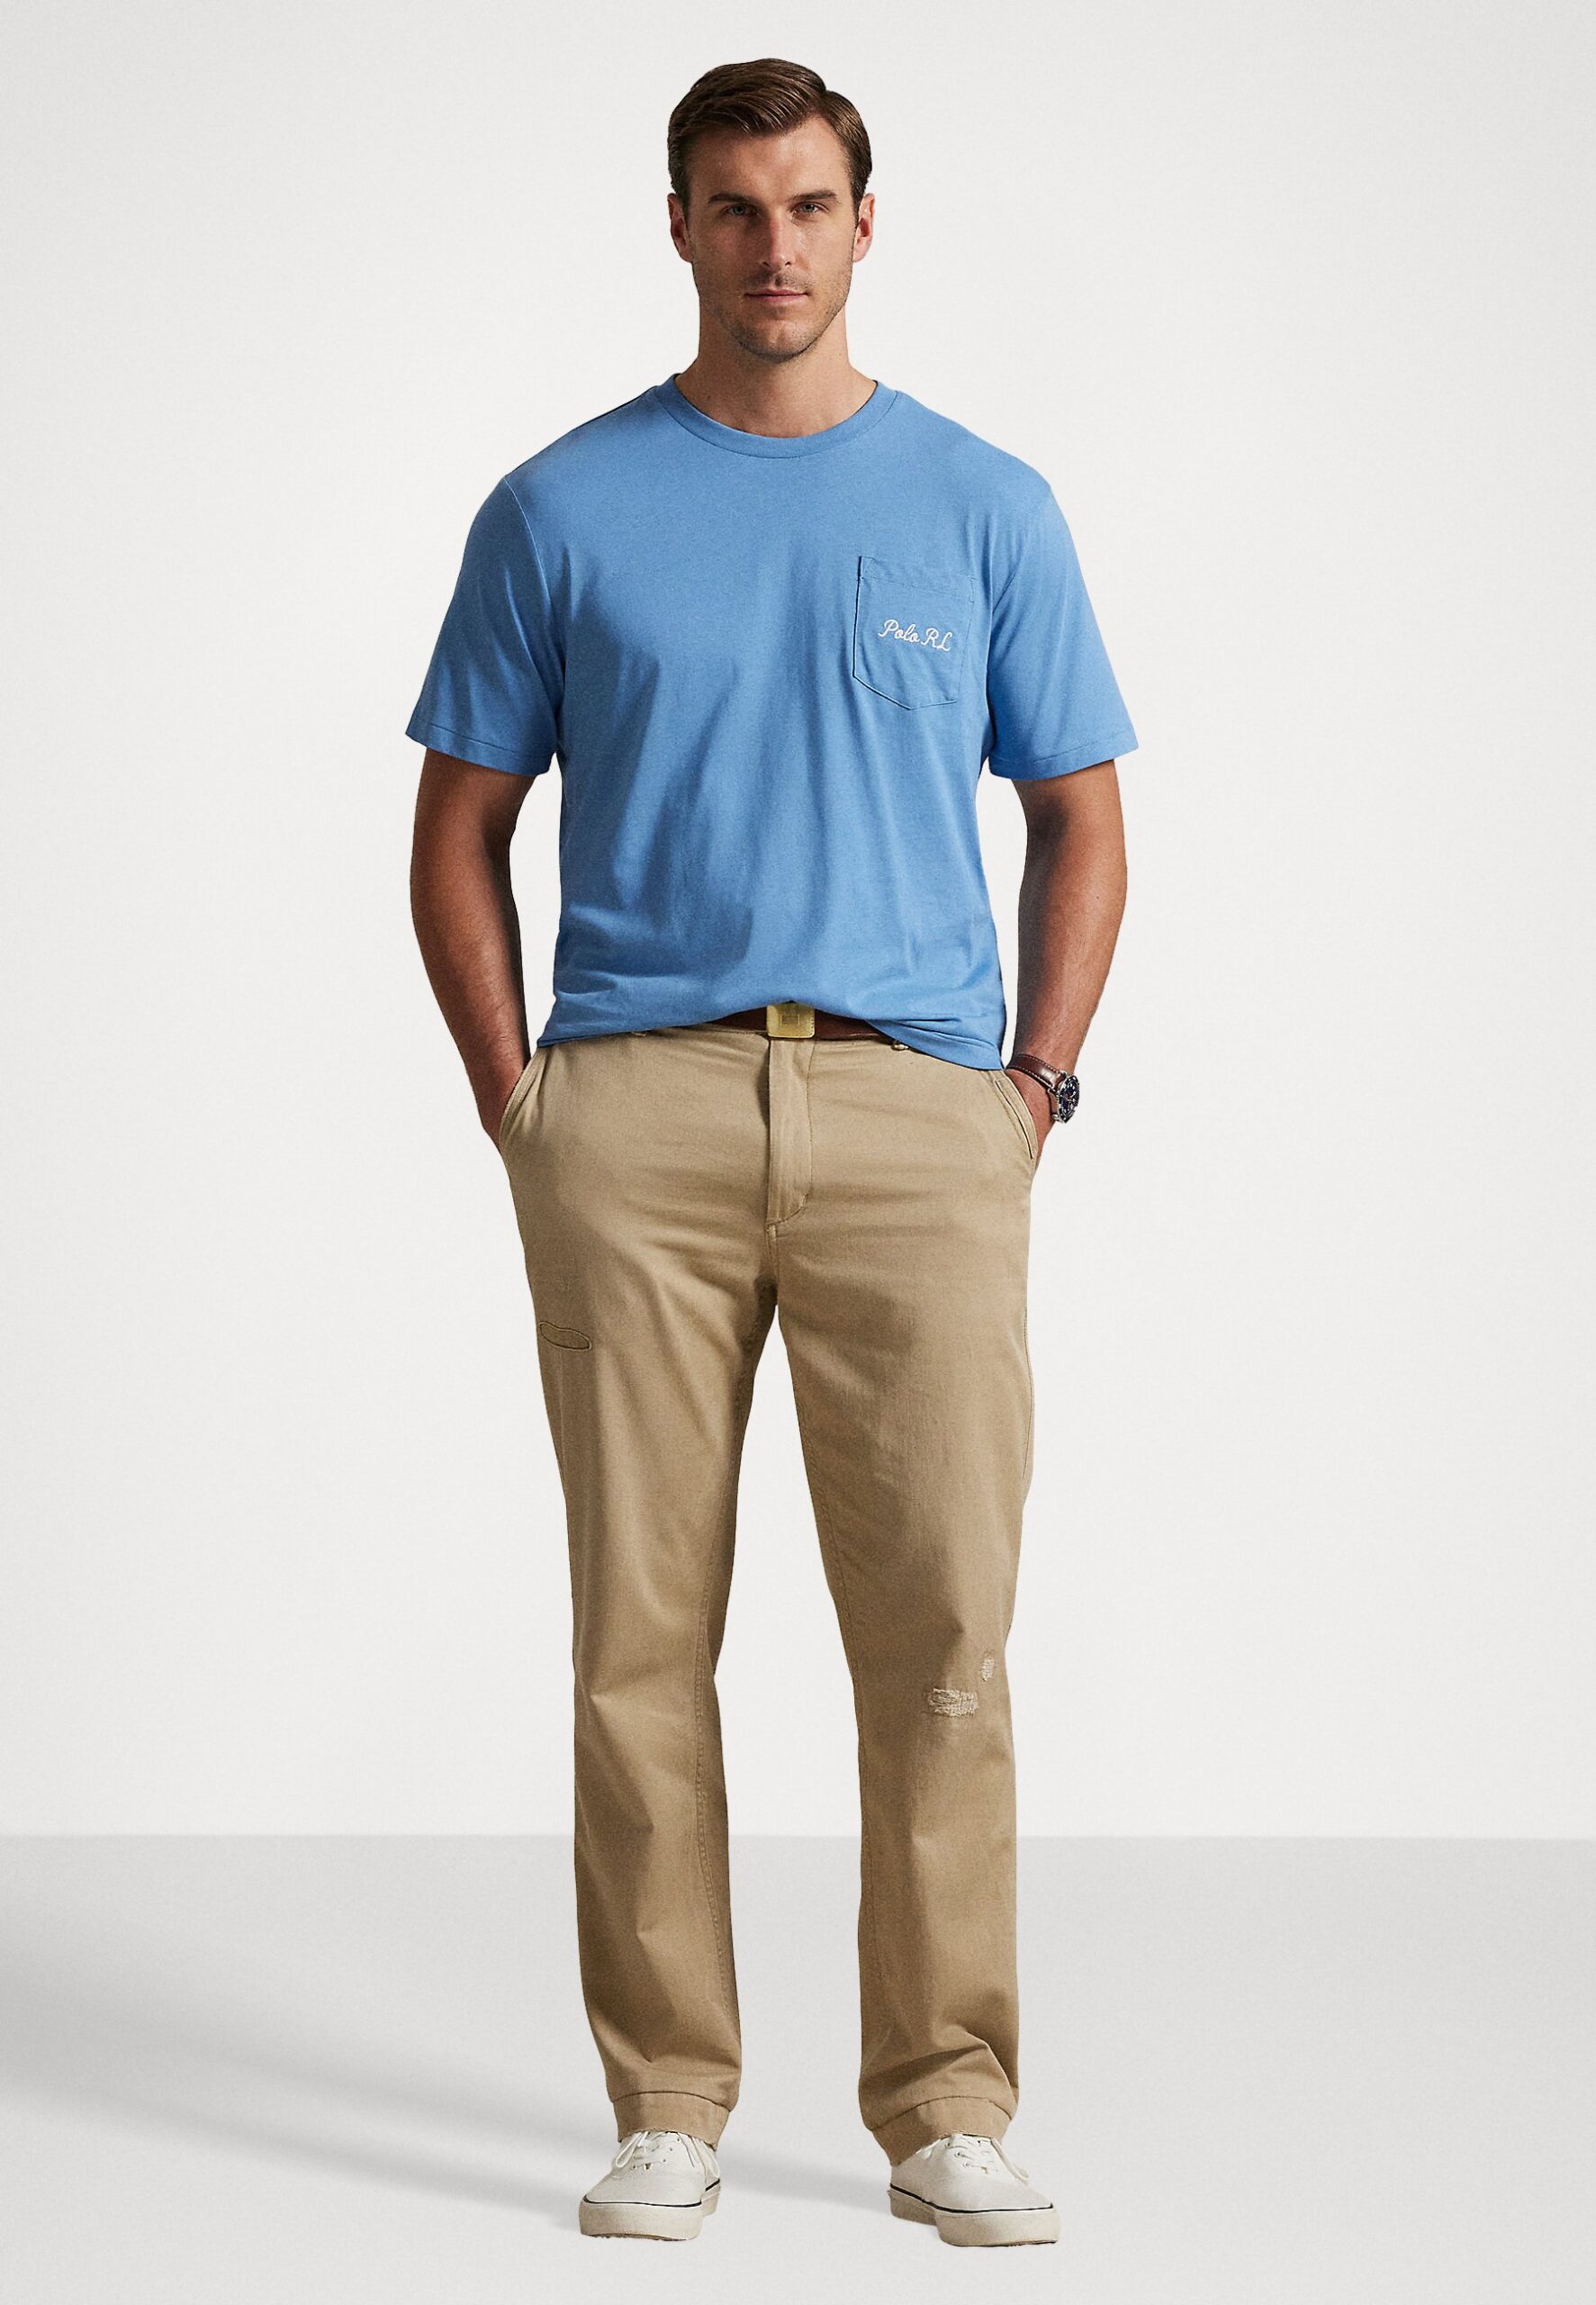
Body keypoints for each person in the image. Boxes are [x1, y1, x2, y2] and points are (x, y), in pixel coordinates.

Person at [403, 56, 1137, 2248]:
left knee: (943, 1628)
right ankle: (665, 2094)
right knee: (636, 1631)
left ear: (864, 221)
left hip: (921, 1115)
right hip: (633, 1113)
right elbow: (455, 827)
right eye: (732, 207)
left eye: (808, 204)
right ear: (677, 227)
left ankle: (943, 2101)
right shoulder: (560, 506)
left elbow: (1081, 813)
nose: (773, 246)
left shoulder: (983, 504)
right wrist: (522, 1101)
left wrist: (1028, 1089)